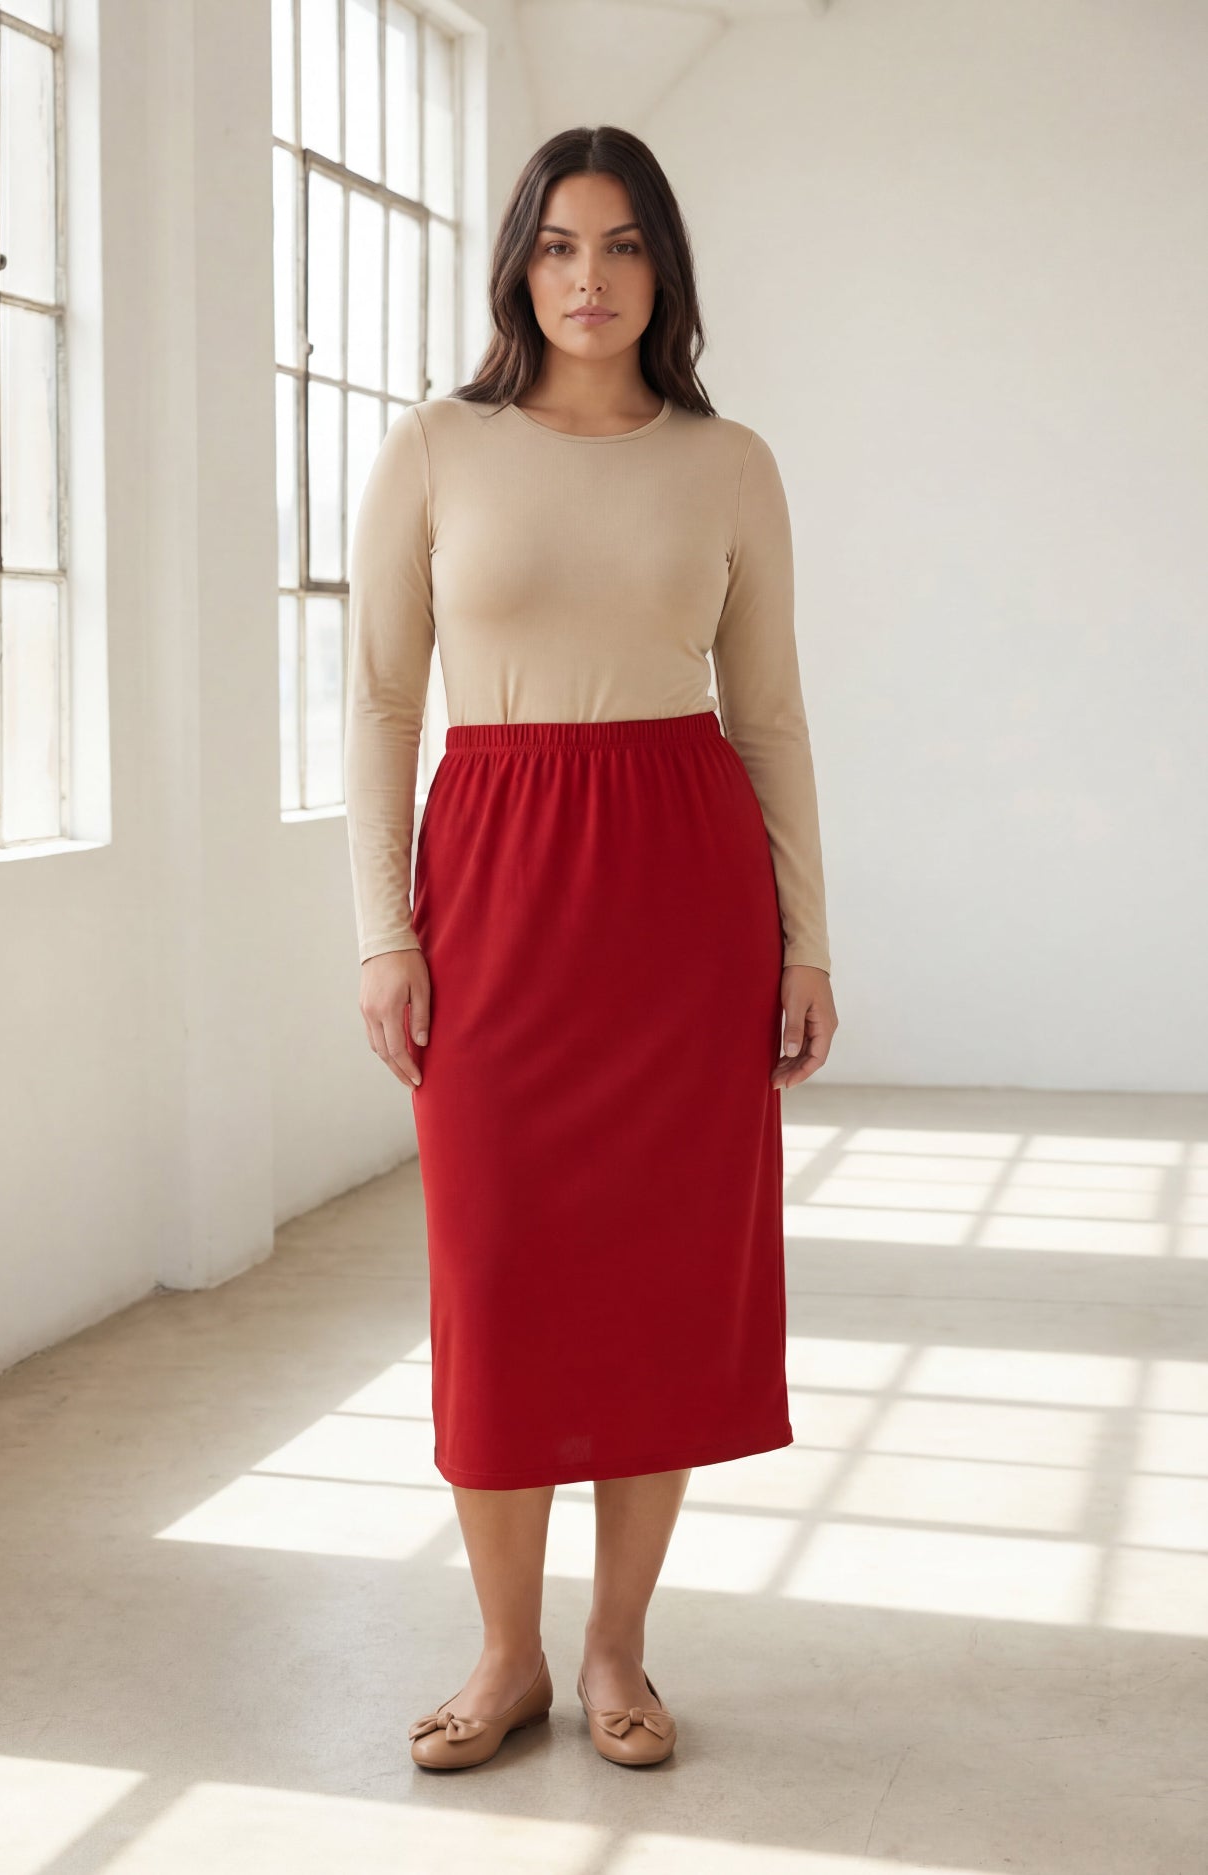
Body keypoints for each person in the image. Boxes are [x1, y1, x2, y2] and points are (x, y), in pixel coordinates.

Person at [344, 124, 839, 1772]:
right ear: (517, 263)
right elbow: (378, 707)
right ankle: (505, 1656)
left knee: (652, 1283)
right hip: (490, 875)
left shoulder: (729, 461)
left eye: (623, 247)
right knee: (495, 1279)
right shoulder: (434, 447)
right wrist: (381, 933)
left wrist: (804, 939)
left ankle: (618, 1646)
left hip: (678, 889)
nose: (589, 278)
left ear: (662, 271)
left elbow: (765, 715)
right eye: (560, 245)